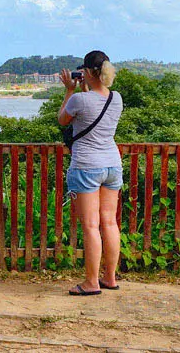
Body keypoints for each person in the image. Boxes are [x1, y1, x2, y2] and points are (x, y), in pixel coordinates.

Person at [57, 50, 124, 296]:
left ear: (86, 72)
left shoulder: (78, 99)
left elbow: (63, 120)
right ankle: (110, 277)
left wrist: (69, 90)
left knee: (90, 226)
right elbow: (94, 109)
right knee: (109, 222)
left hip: (86, 166)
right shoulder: (116, 98)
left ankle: (91, 282)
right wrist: (85, 88)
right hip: (112, 165)